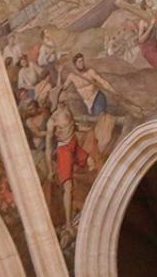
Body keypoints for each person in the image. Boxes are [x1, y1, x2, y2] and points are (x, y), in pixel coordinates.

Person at [46, 95, 90, 230]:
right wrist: (50, 170)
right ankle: (69, 224)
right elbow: (48, 147)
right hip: (64, 150)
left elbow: (73, 126)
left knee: (92, 162)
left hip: (73, 144)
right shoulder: (52, 121)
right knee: (68, 187)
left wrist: (86, 129)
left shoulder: (68, 111)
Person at [133, 0, 157, 75]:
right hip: (147, 48)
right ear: (145, 6)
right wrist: (151, 25)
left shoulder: (155, 15)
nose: (151, 0)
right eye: (148, 0)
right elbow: (140, 40)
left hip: (155, 46)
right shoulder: (143, 21)